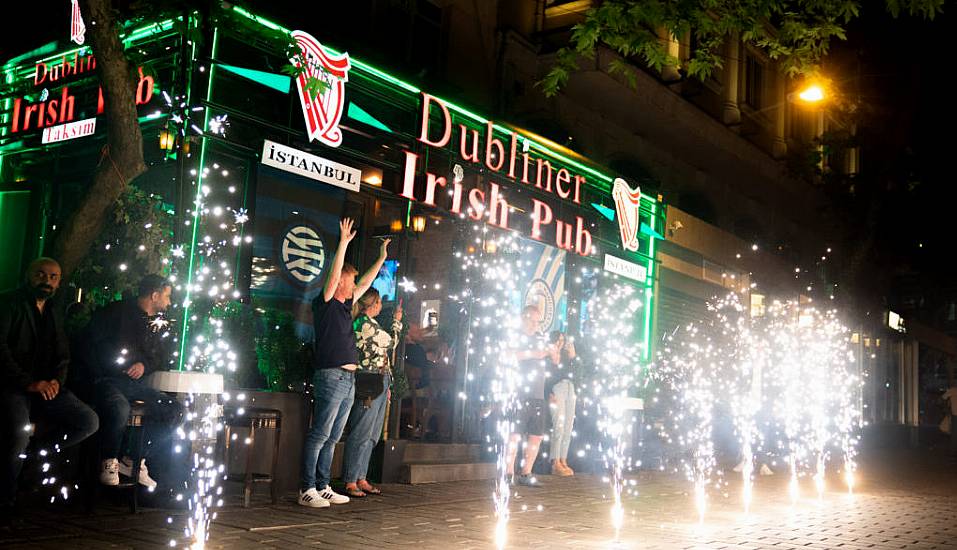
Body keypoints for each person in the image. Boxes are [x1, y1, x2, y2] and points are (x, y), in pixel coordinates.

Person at [299, 218, 391, 508]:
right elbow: (335, 274)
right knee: (321, 434)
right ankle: (307, 488)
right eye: (349, 281)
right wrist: (343, 243)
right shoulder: (325, 303)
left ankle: (324, 485)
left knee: (334, 435)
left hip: (348, 379)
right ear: (339, 282)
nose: (354, 285)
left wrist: (381, 258)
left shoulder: (345, 307)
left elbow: (365, 282)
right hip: (331, 376)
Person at [1, 258, 99, 510]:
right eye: (41, 275)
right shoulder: (8, 303)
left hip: (48, 387)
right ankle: (6, 499)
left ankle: (33, 458)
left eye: (53, 277)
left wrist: (56, 381)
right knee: (18, 433)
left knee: (88, 421)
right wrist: (28, 383)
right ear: (29, 276)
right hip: (13, 386)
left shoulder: (54, 311)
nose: (47, 281)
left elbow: (62, 354)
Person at [85, 275, 184, 491]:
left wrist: (143, 366)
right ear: (154, 295)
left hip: (133, 384)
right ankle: (109, 460)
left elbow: (158, 357)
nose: (169, 302)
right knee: (119, 408)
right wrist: (105, 371)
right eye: (167, 296)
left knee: (173, 409)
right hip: (107, 379)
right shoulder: (115, 313)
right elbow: (92, 344)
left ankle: (134, 459)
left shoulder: (155, 324)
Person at [341, 290, 403, 498]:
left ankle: (361, 476)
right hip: (369, 380)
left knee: (372, 434)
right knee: (361, 431)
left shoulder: (369, 324)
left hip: (380, 379)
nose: (380, 307)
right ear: (373, 304)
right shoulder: (364, 325)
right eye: (378, 303)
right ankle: (350, 479)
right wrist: (396, 323)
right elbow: (390, 342)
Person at [505, 305, 560, 487]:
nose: (535, 325)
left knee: (536, 435)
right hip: (519, 392)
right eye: (532, 320)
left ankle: (526, 472)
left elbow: (555, 361)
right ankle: (508, 473)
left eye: (537, 321)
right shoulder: (516, 335)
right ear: (523, 318)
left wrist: (554, 353)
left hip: (537, 393)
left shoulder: (540, 338)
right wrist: (534, 354)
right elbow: (509, 355)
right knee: (515, 434)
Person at [546, 331, 580, 477]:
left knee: (568, 426)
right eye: (557, 340)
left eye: (562, 340)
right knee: (558, 426)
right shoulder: (548, 355)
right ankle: (555, 462)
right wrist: (548, 393)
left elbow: (578, 372)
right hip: (557, 388)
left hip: (570, 388)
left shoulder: (567, 357)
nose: (560, 342)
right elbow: (546, 376)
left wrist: (573, 356)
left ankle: (563, 459)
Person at [943, 384, 957, 463]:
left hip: (955, 415)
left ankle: (952, 453)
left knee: (954, 434)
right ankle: (952, 453)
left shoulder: (953, 390)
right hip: (955, 415)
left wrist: (946, 408)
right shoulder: (953, 390)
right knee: (954, 434)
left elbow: (943, 398)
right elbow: (943, 398)